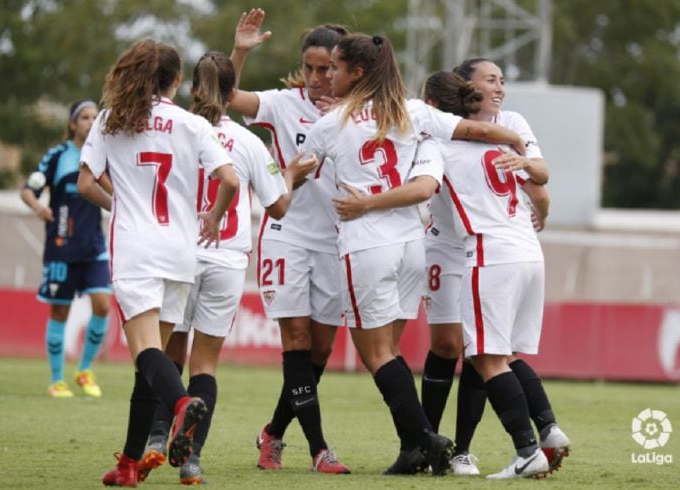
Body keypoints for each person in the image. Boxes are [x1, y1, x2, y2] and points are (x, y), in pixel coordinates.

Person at [304, 33, 527, 476]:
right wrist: (517, 141)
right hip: (411, 248)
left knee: (376, 355)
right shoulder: (412, 111)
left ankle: (426, 439)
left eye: (336, 67)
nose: (329, 76)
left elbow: (297, 170)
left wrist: (278, 179)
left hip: (365, 243)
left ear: (358, 72)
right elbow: (477, 129)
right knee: (392, 351)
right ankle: (412, 449)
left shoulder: (330, 124)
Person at [134, 51, 318, 485]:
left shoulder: (175, 128)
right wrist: (289, 175)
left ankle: (158, 438)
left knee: (165, 356)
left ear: (191, 88)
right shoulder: (249, 142)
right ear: (233, 92)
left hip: (178, 256)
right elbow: (279, 206)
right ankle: (193, 457)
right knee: (205, 366)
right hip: (226, 260)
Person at [76, 38, 239, 487]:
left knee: (146, 353)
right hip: (181, 250)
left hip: (136, 248)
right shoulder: (192, 124)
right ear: (176, 80)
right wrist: (214, 215)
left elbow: (85, 183)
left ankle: (182, 404)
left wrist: (121, 202)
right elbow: (229, 179)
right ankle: (129, 465)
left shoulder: (113, 118)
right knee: (149, 363)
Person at [421, 60, 569, 477]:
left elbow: (423, 188)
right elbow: (538, 186)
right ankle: (546, 431)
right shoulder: (500, 139)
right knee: (502, 354)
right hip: (526, 247)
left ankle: (527, 452)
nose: (500, 88)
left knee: (486, 358)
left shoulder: (439, 143)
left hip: (488, 252)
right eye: (492, 80)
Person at [228, 9, 351, 473]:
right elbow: (224, 98)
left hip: (336, 241)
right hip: (286, 234)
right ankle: (320, 449)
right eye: (311, 68)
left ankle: (273, 432)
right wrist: (240, 50)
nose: (318, 78)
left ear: (344, 68)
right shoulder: (282, 104)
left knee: (318, 351)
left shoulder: (357, 112)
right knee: (296, 339)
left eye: (327, 68)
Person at [20, 99, 112, 399]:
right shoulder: (57, 155)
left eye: (95, 117)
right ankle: (57, 379)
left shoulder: (103, 154)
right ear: (72, 123)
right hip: (61, 245)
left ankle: (84, 370)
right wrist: (38, 208)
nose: (90, 122)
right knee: (60, 311)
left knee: (102, 304)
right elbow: (28, 189)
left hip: (94, 246)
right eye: (84, 117)